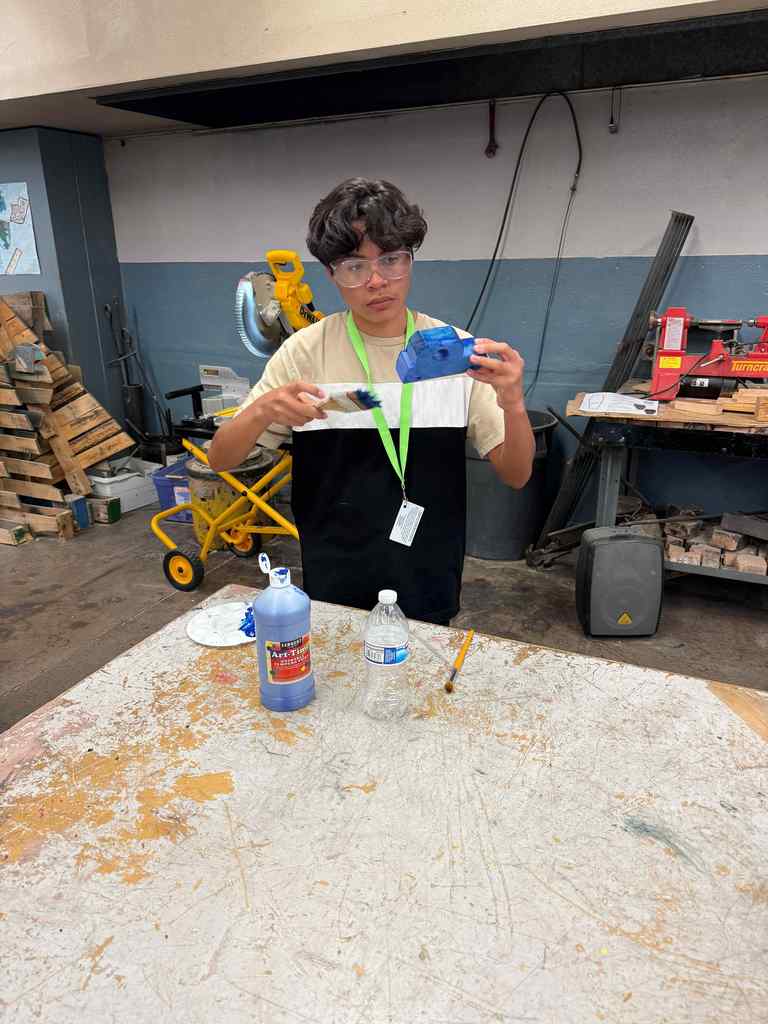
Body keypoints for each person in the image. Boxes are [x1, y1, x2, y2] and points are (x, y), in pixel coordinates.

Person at [208, 178, 535, 625]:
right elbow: (221, 459)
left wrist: (513, 403)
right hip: (334, 574)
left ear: (410, 260)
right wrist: (265, 409)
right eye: (354, 267)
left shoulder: (455, 352)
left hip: (429, 576)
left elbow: (516, 475)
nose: (377, 281)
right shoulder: (306, 352)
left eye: (392, 260)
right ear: (331, 274)